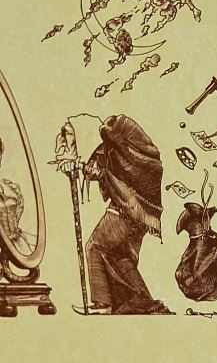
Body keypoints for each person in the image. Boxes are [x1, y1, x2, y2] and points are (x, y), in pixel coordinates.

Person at [56, 112, 171, 314]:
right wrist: (79, 166)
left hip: (125, 211)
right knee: (121, 257)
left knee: (94, 247)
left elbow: (107, 175)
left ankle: (103, 304)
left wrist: (80, 166)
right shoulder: (132, 155)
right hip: (144, 217)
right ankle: (142, 301)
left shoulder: (120, 152)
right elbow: (102, 173)